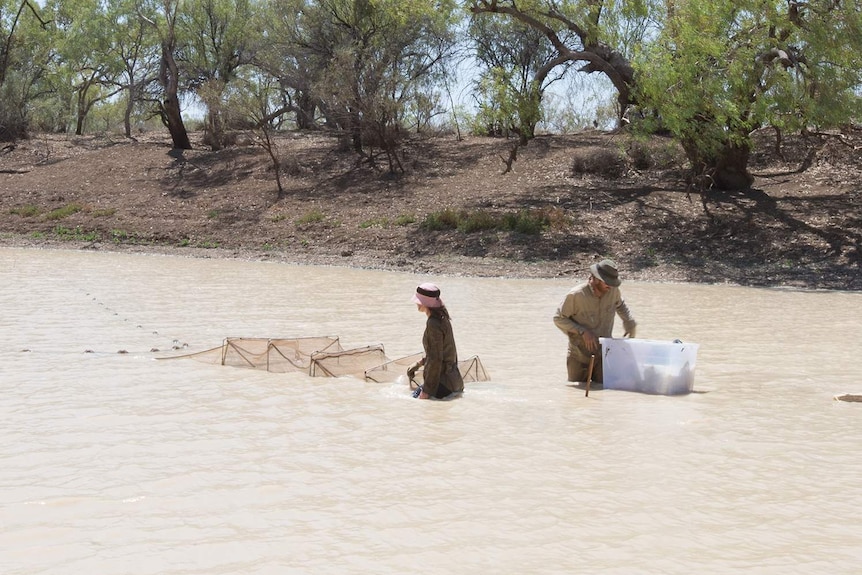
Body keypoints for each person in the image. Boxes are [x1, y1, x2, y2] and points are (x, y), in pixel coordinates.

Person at [553, 259, 637, 384]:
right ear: (596, 279)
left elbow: (620, 304)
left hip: (604, 354)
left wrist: (628, 321)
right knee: (577, 396)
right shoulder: (576, 295)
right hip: (579, 355)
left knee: (603, 390)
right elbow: (558, 318)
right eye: (607, 283)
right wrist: (582, 332)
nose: (611, 286)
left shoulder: (613, 290)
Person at [407, 283, 464, 399]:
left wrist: (427, 391)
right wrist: (419, 363)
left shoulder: (433, 323)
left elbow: (435, 359)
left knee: (412, 401)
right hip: (454, 382)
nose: (416, 303)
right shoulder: (443, 318)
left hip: (443, 384)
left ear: (425, 303)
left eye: (419, 300)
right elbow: (442, 353)